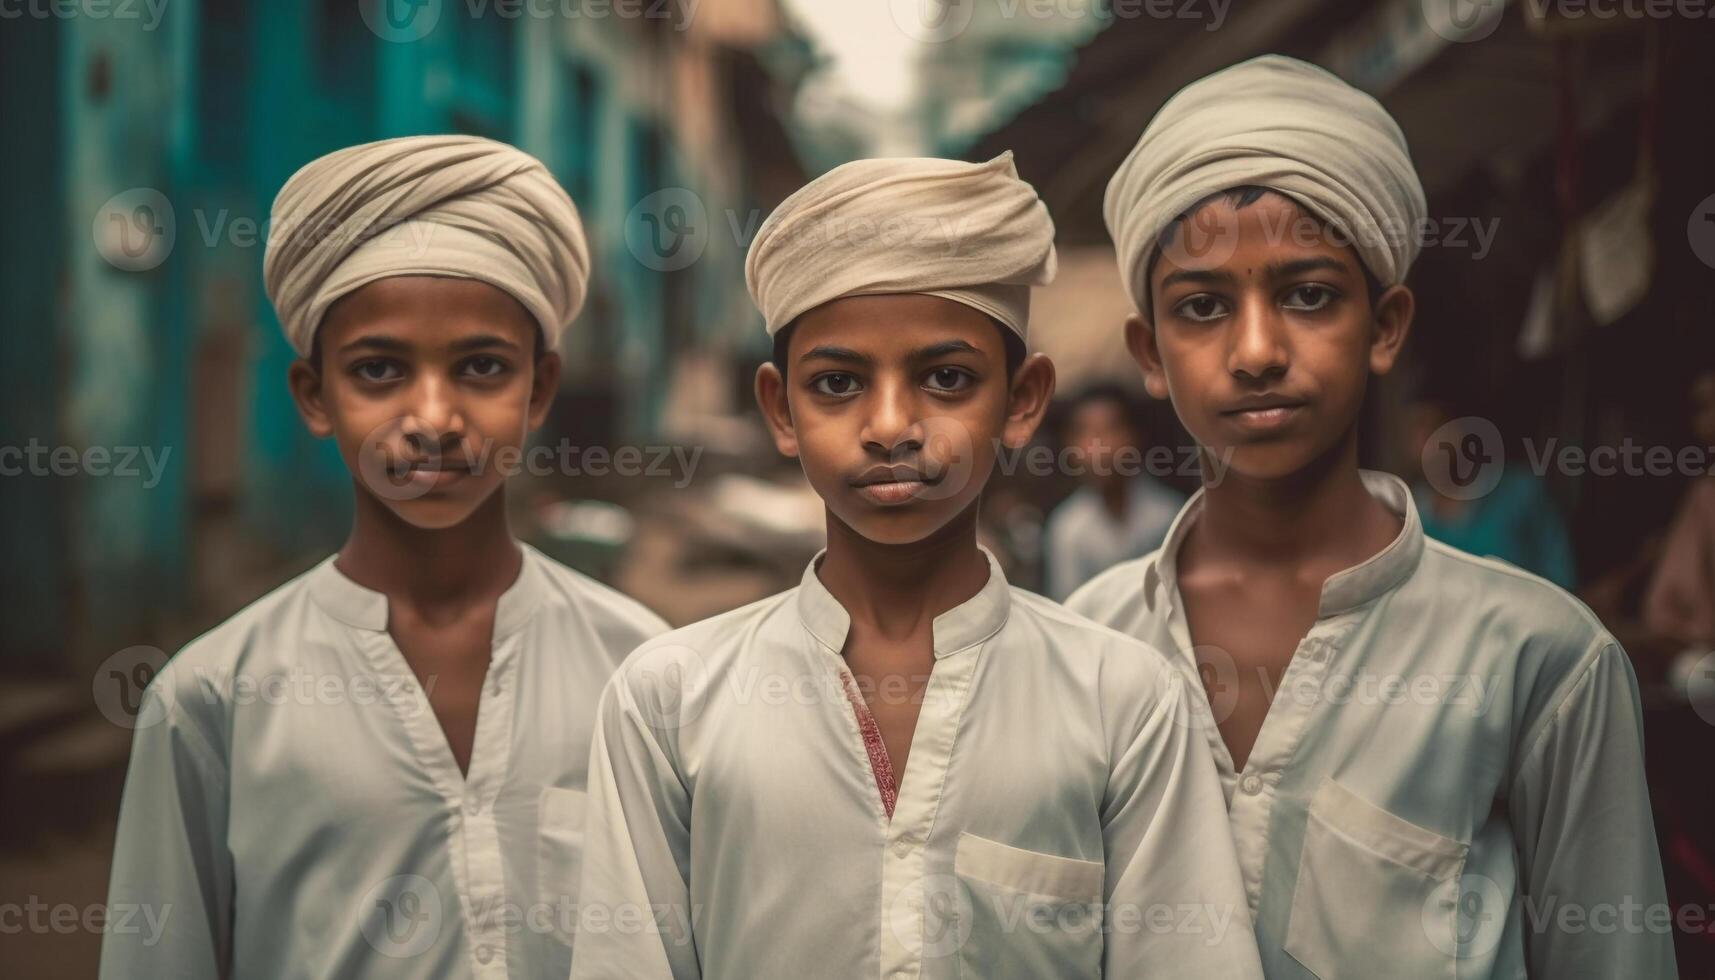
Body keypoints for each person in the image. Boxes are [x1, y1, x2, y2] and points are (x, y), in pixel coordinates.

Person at [570, 154, 1262, 979]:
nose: (891, 425)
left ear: (1022, 400)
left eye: (945, 378)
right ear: (778, 410)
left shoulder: (1124, 699)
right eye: (836, 383)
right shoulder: (668, 699)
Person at [1070, 55, 1675, 978]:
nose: (1259, 350)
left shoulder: (1538, 657)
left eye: (1308, 294)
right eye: (1202, 307)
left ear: (1385, 325)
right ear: (1149, 352)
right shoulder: (1079, 656)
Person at [99, 135, 668, 980]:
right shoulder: (212, 697)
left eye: (481, 367)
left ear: (540, 389)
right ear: (315, 396)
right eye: (378, 370)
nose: (433, 417)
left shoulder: (644, 673)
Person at [1404, 396, 1576, 588]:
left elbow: (1561, 583)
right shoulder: (1406, 512)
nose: (1423, 442)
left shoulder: (1521, 493)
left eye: (1433, 427)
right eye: (1413, 430)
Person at [1043, 384, 1185, 599]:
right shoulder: (1068, 528)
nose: (1099, 446)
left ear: (1135, 436)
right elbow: (1068, 610)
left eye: (1111, 429)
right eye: (1085, 433)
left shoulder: (1169, 514)